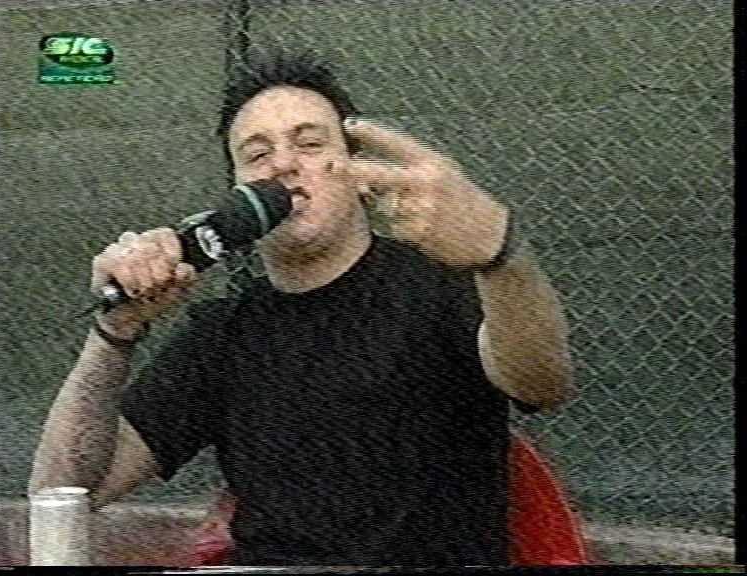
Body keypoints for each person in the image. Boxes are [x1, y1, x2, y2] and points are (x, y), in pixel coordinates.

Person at [29, 49, 575, 566]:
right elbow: (65, 491)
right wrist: (114, 332)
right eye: (257, 155)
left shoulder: (441, 284)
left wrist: (501, 259)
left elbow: (542, 383)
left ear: (356, 169)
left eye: (310, 144)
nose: (284, 166)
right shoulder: (223, 334)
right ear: (237, 188)